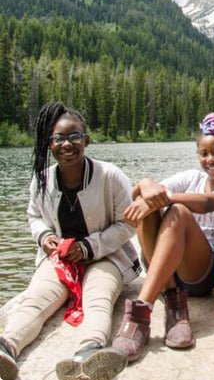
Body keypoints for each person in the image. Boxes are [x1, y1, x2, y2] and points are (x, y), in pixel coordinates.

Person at [0, 102, 140, 380]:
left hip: (106, 257)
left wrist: (88, 247)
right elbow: (34, 216)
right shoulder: (41, 179)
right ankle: (6, 347)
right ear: (49, 145)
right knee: (37, 297)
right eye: (59, 138)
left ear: (86, 140)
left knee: (98, 298)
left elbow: (128, 223)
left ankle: (90, 351)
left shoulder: (109, 175)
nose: (68, 144)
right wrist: (45, 236)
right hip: (60, 259)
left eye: (75, 136)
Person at [111, 113, 214, 362]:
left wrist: (158, 196)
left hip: (202, 270)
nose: (210, 160)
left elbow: (208, 203)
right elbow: (141, 192)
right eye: (204, 153)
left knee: (177, 210)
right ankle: (174, 306)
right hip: (168, 270)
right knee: (148, 205)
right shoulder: (192, 178)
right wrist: (146, 184)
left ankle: (140, 313)